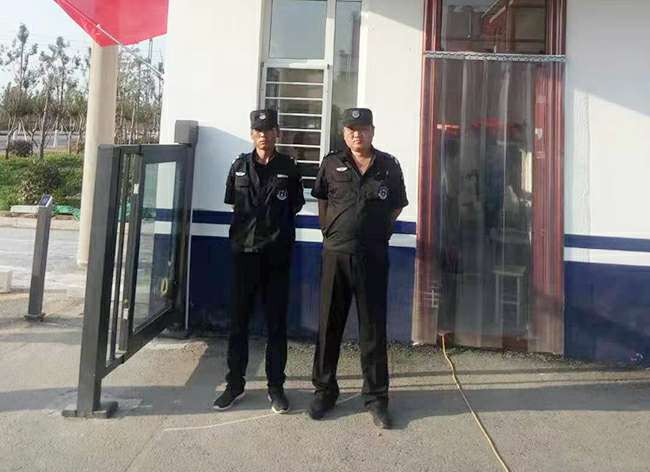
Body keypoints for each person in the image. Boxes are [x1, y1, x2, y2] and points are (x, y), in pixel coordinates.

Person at [308, 108, 408, 429]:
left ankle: (376, 398)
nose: (357, 134)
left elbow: (396, 206)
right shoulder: (330, 164)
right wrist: (331, 232)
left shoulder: (388, 166)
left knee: (373, 329)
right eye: (351, 129)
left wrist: (375, 233)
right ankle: (325, 391)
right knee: (329, 325)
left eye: (363, 129)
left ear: (372, 131)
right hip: (336, 256)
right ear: (344, 133)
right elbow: (322, 200)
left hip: (372, 258)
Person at [213, 109, 304, 414]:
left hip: (276, 257)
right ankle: (234, 385)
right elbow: (233, 203)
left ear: (277, 133)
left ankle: (276, 387)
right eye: (258, 131)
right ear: (252, 134)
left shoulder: (289, 168)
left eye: (268, 130)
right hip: (244, 255)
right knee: (238, 324)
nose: (263, 136)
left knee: (276, 325)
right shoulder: (239, 166)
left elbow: (294, 205)